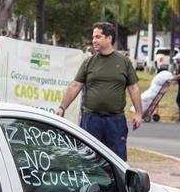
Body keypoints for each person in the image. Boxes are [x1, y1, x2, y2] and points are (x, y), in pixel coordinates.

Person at [56, 22, 143, 160]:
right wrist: (62, 107)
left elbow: (133, 88)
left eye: (98, 37)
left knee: (116, 159)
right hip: (91, 120)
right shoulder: (89, 62)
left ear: (109, 38)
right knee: (88, 159)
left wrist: (138, 113)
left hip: (115, 121)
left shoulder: (124, 62)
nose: (94, 40)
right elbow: (76, 85)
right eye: (93, 37)